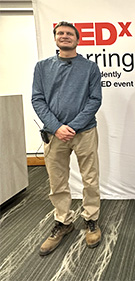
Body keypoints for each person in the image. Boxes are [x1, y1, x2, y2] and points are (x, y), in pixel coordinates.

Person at [32, 21, 102, 256]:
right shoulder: (42, 67)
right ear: (55, 38)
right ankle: (63, 222)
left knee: (90, 179)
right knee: (57, 182)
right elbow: (38, 100)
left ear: (77, 39)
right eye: (60, 33)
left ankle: (91, 219)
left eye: (69, 34)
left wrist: (71, 126)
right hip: (54, 135)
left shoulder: (90, 68)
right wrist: (56, 127)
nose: (65, 36)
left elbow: (95, 100)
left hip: (84, 132)